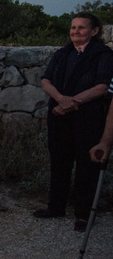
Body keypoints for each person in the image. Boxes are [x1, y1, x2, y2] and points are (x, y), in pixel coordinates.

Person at [36, 12, 113, 232]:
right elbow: (45, 80)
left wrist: (72, 101)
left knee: (86, 166)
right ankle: (55, 207)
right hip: (59, 117)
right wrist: (61, 100)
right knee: (59, 163)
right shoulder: (63, 53)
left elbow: (102, 86)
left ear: (94, 31)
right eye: (73, 27)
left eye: (81, 28)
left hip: (88, 119)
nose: (75, 32)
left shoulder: (103, 55)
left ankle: (83, 215)